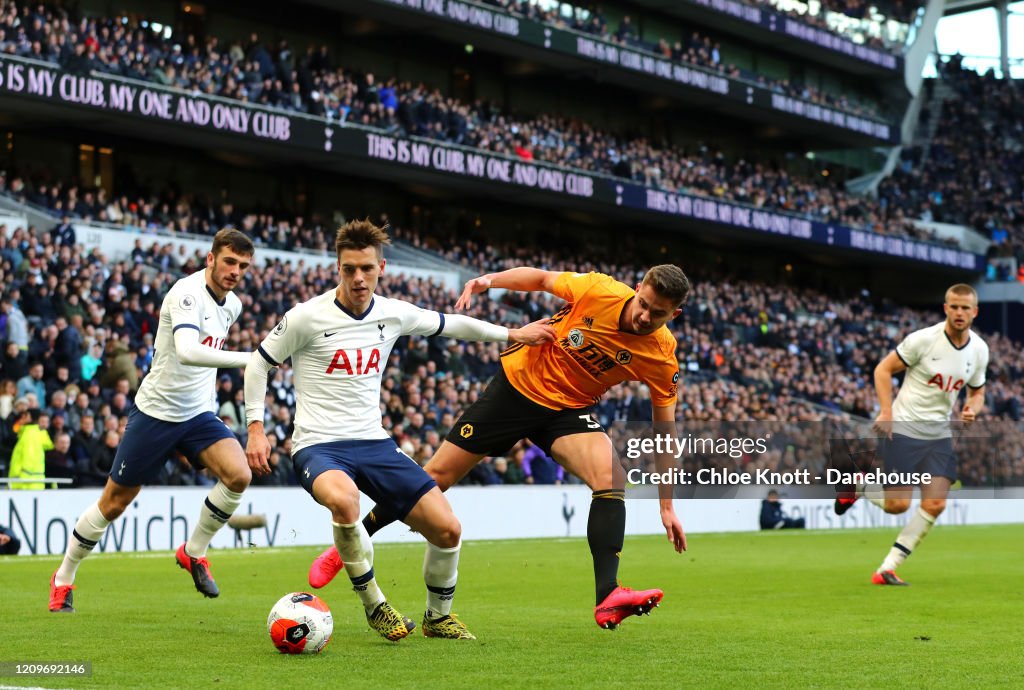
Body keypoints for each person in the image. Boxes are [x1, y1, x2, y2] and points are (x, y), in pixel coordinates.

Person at [309, 264, 691, 629]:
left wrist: (666, 504)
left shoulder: (661, 354)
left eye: (657, 314)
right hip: (516, 390)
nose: (645, 317)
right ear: (638, 288)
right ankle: (351, 541)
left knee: (611, 478)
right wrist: (487, 281)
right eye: (643, 304)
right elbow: (541, 279)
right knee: (434, 478)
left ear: (674, 314)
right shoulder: (600, 290)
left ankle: (608, 594)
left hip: (567, 409)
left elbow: (665, 428)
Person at [244, 220, 554, 642]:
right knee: (344, 500)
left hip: (375, 443)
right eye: (350, 269)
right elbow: (258, 363)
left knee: (448, 530)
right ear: (338, 267)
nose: (358, 278)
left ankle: (437, 617)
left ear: (381, 268)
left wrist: (513, 332)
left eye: (367, 269)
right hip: (320, 446)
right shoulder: (305, 317)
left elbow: (453, 324)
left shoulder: (393, 313)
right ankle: (375, 604)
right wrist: (256, 428)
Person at [49, 228, 257, 613]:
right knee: (113, 504)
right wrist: (251, 359)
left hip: (197, 414)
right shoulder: (186, 293)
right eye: (229, 261)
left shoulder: (234, 306)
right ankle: (63, 577)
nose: (235, 270)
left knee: (239, 475)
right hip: (156, 413)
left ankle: (193, 552)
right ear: (211, 258)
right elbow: (188, 352)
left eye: (243, 265)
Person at [834, 284, 988, 586]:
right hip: (904, 427)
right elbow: (882, 370)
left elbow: (978, 390)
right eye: (954, 306)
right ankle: (857, 486)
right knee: (898, 505)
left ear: (975, 312)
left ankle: (886, 569)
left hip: (940, 433)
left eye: (965, 308)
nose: (959, 312)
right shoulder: (923, 340)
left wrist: (972, 408)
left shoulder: (979, 349)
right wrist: (886, 411)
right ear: (945, 308)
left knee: (935, 504)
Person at [8, 408, 53, 490]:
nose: (22, 417)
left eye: (25, 415)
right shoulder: (33, 433)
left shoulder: (29, 434)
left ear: (30, 418)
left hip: (25, 483)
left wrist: (21, 476)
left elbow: (29, 457)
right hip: (33, 481)